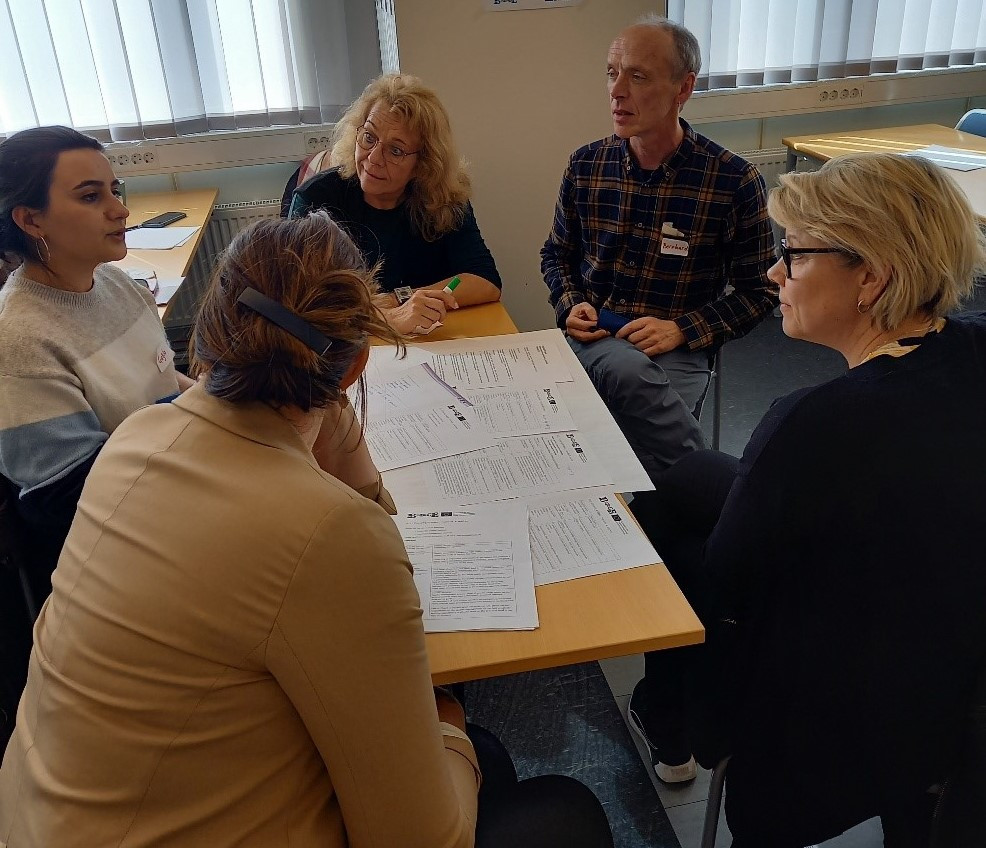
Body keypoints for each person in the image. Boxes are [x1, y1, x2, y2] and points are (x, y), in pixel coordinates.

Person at [0, 212, 613, 848]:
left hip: (44, 817)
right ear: (352, 368)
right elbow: (423, 838)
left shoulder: (135, 438)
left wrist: (332, 412)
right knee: (562, 807)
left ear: (205, 335)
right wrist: (449, 721)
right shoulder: (327, 531)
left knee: (483, 761)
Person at [626, 153, 986, 847]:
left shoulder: (810, 424)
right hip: (949, 653)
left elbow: (733, 587)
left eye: (791, 256)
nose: (772, 273)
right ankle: (663, 714)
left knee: (669, 527)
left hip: (834, 716)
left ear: (871, 276)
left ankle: (670, 724)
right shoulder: (972, 350)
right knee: (689, 475)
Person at [541, 15, 776, 481]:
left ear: (682, 88)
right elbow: (557, 255)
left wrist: (682, 330)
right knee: (631, 410)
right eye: (612, 72)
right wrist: (570, 305)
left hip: (676, 350)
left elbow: (761, 292)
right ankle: (717, 494)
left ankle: (670, 514)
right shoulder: (587, 165)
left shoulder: (732, 180)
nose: (616, 91)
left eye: (638, 76)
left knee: (627, 451)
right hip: (594, 338)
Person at [0, 126, 192, 591]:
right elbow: (62, 493)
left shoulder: (116, 283)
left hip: (174, 490)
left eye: (114, 190)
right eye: (90, 197)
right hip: (115, 550)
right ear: (31, 220)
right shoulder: (18, 339)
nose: (120, 209)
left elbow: (165, 378)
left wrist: (223, 395)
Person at [289, 73, 502, 335]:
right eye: (369, 137)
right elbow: (295, 303)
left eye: (396, 150)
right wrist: (387, 318)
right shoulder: (316, 199)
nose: (374, 158)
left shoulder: (444, 199)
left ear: (423, 163)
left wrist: (398, 299)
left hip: (430, 344)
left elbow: (485, 280)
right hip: (344, 348)